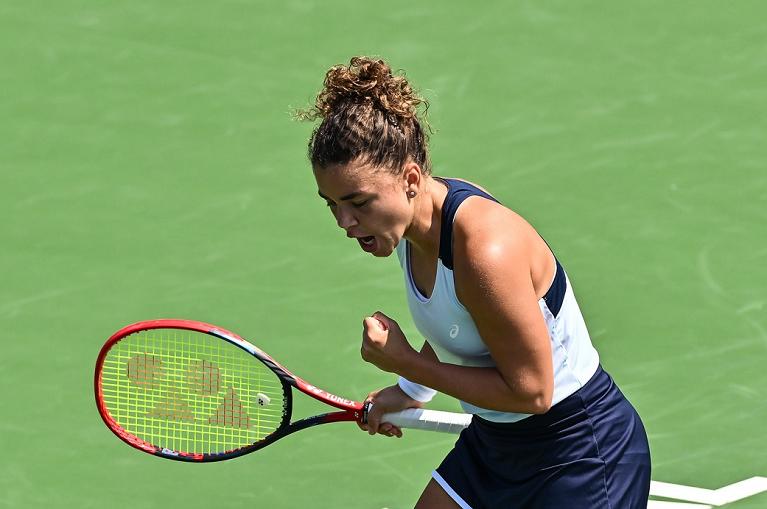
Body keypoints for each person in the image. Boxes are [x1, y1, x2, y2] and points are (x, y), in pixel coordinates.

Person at [299, 56, 651, 509]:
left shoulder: (485, 249)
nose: (345, 221)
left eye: (358, 202)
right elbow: (458, 326)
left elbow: (534, 391)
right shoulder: (410, 224)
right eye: (332, 205)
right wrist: (409, 393)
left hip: (579, 453)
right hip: (496, 446)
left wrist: (407, 364)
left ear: (409, 179)